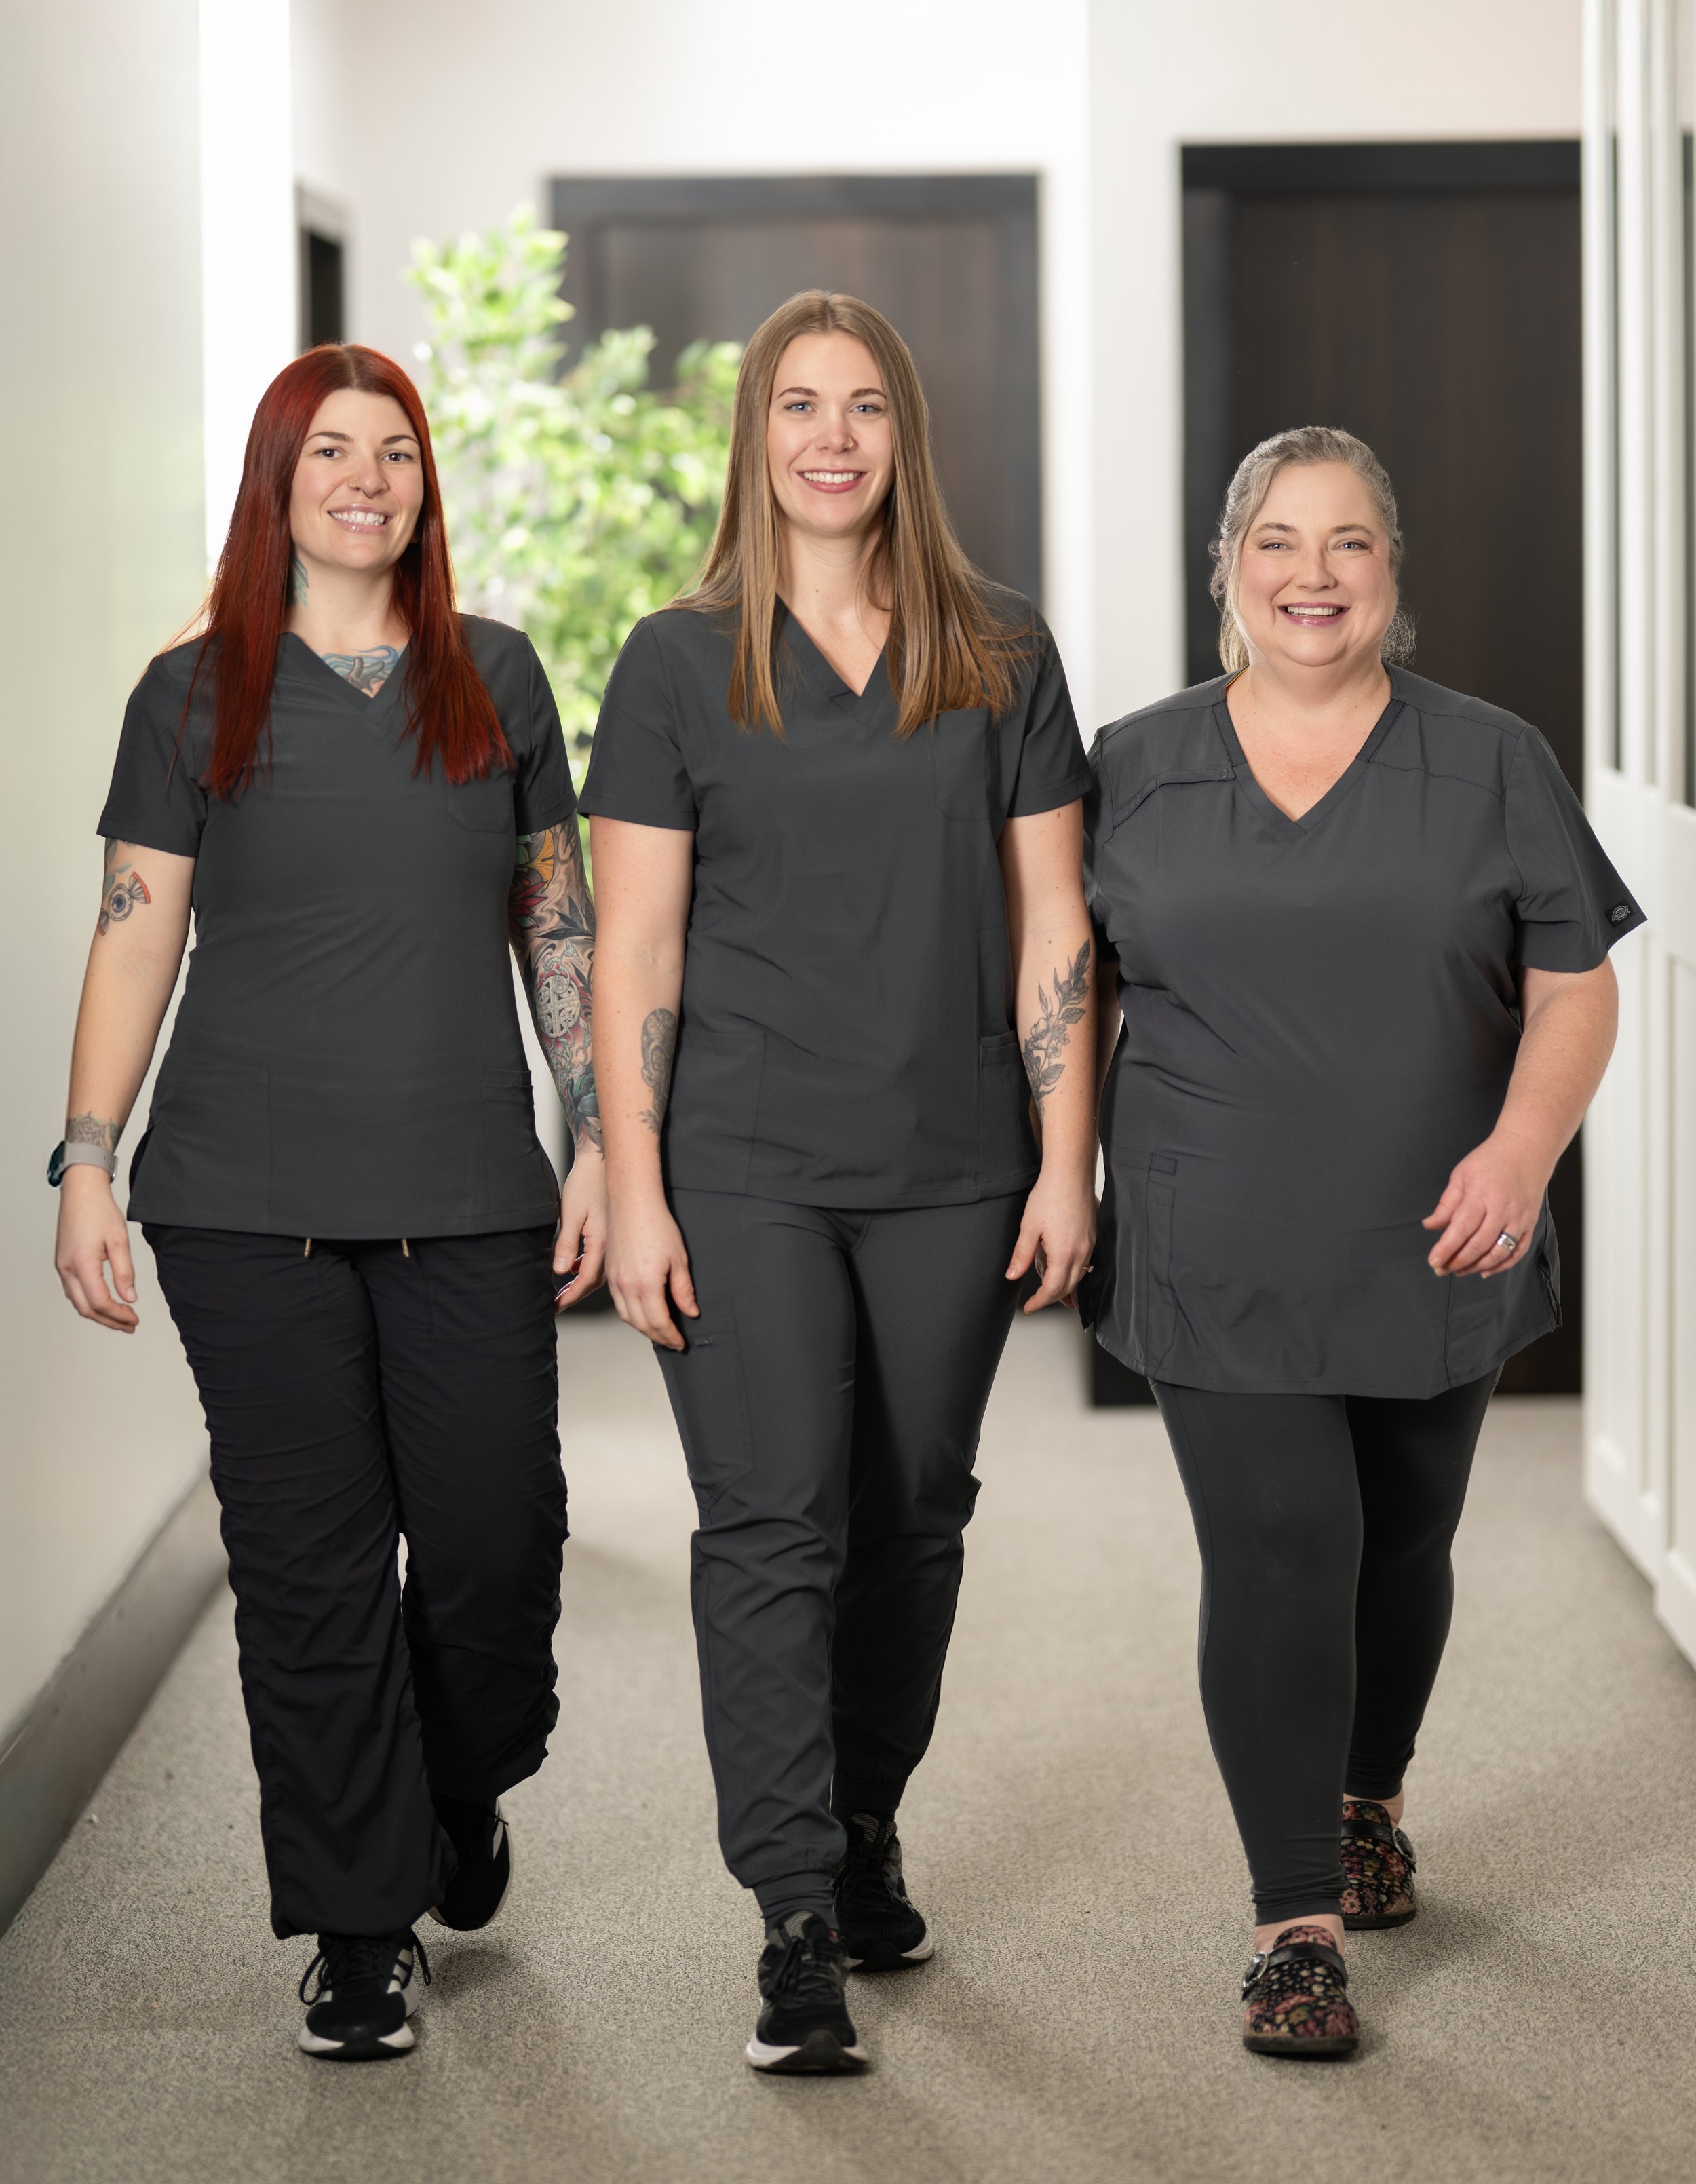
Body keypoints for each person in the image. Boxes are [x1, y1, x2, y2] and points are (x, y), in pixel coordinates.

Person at [50, 343, 606, 2061]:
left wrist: (595, 1129)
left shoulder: (496, 678)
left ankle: (457, 1782)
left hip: (469, 1192)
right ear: (277, 479)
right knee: (306, 1572)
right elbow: (137, 927)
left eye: (396, 452)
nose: (367, 477)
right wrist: (86, 1153)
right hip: (241, 1196)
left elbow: (557, 929)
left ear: (424, 486)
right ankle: (360, 1928)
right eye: (331, 450)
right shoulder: (190, 692)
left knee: (496, 1540)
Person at [1082, 425, 1642, 2058]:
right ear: (1225, 571)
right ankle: (1289, 1920)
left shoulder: (1489, 760)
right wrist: (1062, 1183)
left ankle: (1367, 1794)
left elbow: (1573, 979)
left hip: (1437, 1234)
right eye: (1275, 541)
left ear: (1390, 576)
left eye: (1346, 545)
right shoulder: (1131, 760)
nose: (1308, 577)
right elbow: (1068, 984)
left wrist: (1522, 1147)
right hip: (1210, 1234)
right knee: (1278, 1549)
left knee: (1400, 1538)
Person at [583, 290, 1096, 2075]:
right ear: (755, 435)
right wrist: (633, 1184)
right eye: (796, 406)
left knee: (909, 1519)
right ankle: (793, 1910)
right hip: (737, 1166)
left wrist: (1064, 1157)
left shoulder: (1000, 652)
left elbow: (1054, 922)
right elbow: (631, 949)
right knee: (770, 1523)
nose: (827, 437)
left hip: (952, 1164)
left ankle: (865, 1817)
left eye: (861, 407)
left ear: (902, 439)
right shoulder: (673, 660)